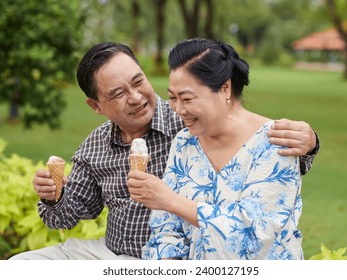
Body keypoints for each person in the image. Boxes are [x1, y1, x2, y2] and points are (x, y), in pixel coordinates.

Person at [10, 42, 318, 260]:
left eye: (138, 82)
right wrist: (54, 195)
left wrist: (310, 144)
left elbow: (257, 221)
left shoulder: (188, 125)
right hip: (122, 255)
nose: (136, 98)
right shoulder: (181, 138)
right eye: (118, 93)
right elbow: (162, 228)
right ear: (96, 106)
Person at [127, 38, 305, 260]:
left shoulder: (274, 141)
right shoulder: (184, 142)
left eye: (187, 98)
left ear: (225, 88)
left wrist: (170, 200)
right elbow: (166, 227)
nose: (179, 109)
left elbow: (253, 235)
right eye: (173, 98)